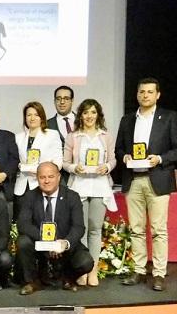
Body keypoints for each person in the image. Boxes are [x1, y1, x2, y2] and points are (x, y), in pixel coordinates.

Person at [116, 77, 177, 291]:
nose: (145, 95)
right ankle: (138, 270)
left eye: (149, 92)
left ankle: (158, 274)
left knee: (158, 230)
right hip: (133, 180)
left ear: (158, 95)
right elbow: (119, 149)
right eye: (141, 92)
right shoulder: (127, 120)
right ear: (137, 95)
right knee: (136, 229)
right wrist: (125, 157)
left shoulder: (169, 118)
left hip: (159, 178)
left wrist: (160, 158)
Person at [63, 99, 117, 287]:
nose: (89, 116)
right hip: (80, 186)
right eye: (85, 113)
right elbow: (64, 162)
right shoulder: (73, 136)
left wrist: (107, 167)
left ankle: (93, 270)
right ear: (81, 116)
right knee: (81, 229)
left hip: (100, 185)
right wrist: (73, 168)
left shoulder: (106, 136)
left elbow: (113, 159)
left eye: (93, 112)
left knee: (95, 229)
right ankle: (82, 269)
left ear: (98, 115)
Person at [17, 162, 93, 295]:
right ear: (37, 178)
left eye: (51, 176)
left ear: (58, 177)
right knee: (23, 242)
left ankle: (68, 279)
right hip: (39, 244)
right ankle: (32, 282)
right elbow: (23, 224)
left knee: (86, 262)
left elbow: (78, 227)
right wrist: (49, 241)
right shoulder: (30, 196)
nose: (46, 181)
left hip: (65, 245)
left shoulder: (72, 196)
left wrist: (64, 243)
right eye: (42, 177)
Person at [14, 101, 62, 221]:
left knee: (42, 220)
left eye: (36, 114)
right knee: (22, 220)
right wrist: (22, 166)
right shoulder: (18, 137)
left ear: (42, 117)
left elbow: (58, 163)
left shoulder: (52, 135)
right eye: (29, 115)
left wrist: (33, 169)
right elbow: (16, 161)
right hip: (22, 187)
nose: (32, 118)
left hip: (43, 184)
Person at [47, 86, 76, 184]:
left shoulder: (84, 121)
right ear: (54, 101)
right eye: (58, 99)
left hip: (81, 175)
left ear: (72, 100)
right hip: (58, 177)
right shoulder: (46, 125)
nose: (62, 102)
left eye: (66, 98)